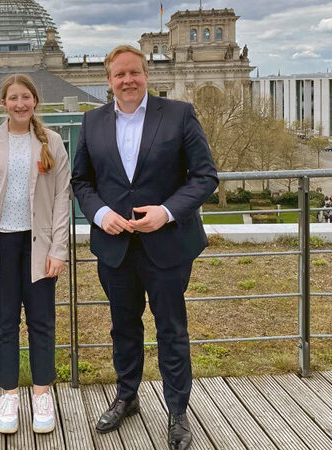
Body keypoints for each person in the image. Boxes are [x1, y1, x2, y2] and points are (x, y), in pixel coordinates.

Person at [71, 45, 218, 450]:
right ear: (109, 81)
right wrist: (100, 214)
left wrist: (167, 212)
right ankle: (127, 397)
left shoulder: (179, 114)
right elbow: (81, 182)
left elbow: (205, 177)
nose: (127, 80)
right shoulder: (91, 122)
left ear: (146, 74)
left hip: (167, 244)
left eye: (134, 72)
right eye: (119, 75)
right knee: (123, 327)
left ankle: (177, 411)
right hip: (115, 247)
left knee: (171, 329)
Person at [0, 74, 71, 434]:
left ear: (35, 101)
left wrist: (58, 249)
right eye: (13, 98)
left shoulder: (52, 143)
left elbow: (62, 198)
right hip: (1, 244)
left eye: (25, 97)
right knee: (3, 323)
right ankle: (9, 394)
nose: (20, 104)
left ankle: (42, 393)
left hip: (39, 246)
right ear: (3, 103)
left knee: (42, 322)